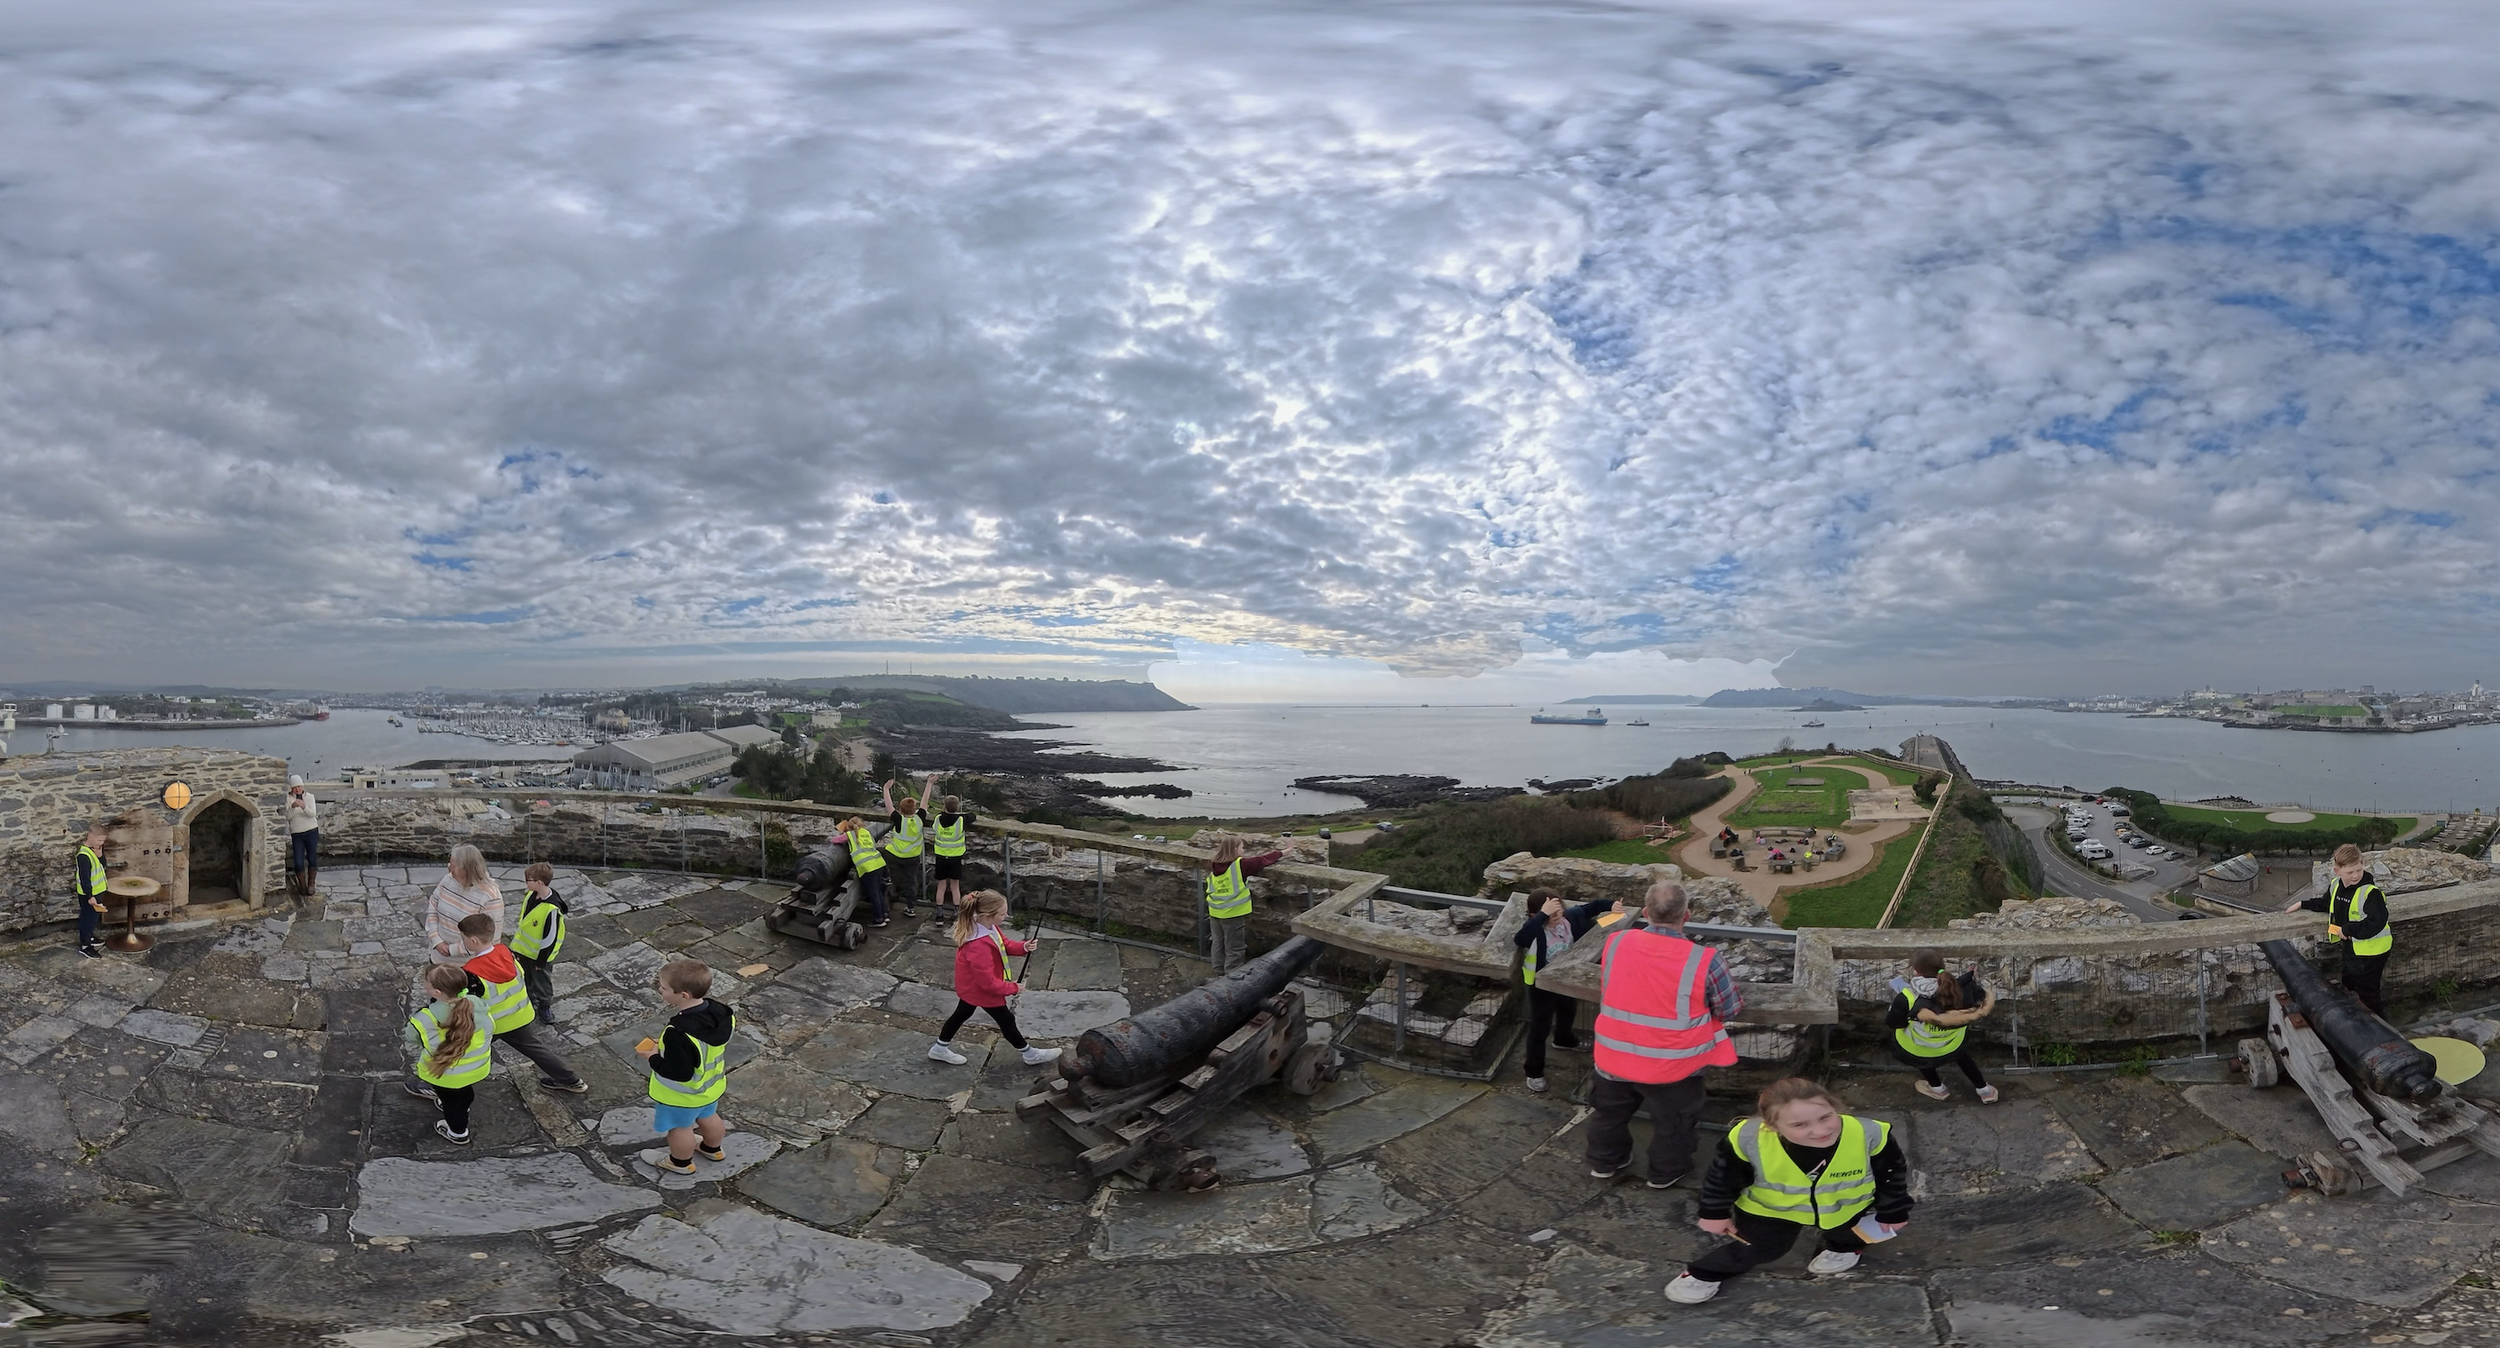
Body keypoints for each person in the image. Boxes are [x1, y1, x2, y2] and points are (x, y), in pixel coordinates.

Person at [1665, 1077, 1914, 1304]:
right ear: (1772, 1125)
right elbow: (1722, 1177)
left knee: (1848, 1233)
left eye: (1826, 1117)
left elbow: (1891, 1173)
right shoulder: (1747, 1139)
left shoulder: (1870, 1134)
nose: (1820, 1131)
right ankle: (1704, 1273)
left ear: (1834, 1108)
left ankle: (1844, 1249)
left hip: (1845, 1206)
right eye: (1799, 1124)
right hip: (1769, 1211)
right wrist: (1714, 1212)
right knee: (1761, 1248)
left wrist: (1893, 1210)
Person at [1587, 881, 1740, 1189]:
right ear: (1686, 915)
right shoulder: (1704, 959)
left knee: (1608, 1114)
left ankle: (1605, 1161)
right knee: (1675, 1123)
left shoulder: (1616, 941)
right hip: (1673, 1065)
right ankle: (1666, 1172)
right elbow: (1729, 1009)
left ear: (1645, 913)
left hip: (1614, 1053)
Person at [455, 914, 589, 1094]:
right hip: (520, 1015)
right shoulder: (506, 953)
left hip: (495, 1024)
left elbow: (468, 1002)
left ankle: (440, 1087)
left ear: (473, 940)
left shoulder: (472, 971)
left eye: (463, 938)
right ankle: (572, 1081)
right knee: (536, 1050)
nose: (462, 942)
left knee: (458, 1051)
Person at [927, 889, 1059, 1067]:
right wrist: (1013, 988)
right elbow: (987, 983)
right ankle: (1029, 1054)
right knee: (1006, 1020)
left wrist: (1023, 947)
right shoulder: (978, 946)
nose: (1006, 916)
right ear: (988, 915)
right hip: (980, 991)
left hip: (971, 987)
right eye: (1003, 914)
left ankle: (940, 1048)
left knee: (961, 1014)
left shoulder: (987, 927)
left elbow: (1004, 944)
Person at [638, 959, 737, 1176]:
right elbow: (701, 1049)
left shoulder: (678, 1032)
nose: (660, 990)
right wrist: (669, 1047)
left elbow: (679, 1073)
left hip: (682, 1096)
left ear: (683, 995)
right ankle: (712, 1149)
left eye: (664, 988)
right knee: (709, 1117)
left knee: (680, 1129)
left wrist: (653, 1057)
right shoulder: (722, 1013)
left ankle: (680, 1162)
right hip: (710, 1087)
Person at [1513, 889, 1607, 1093]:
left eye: (1559, 911)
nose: (1557, 916)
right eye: (1551, 914)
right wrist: (1542, 916)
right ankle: (1534, 1072)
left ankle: (1563, 1040)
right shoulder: (1536, 929)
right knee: (1540, 1027)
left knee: (1568, 1010)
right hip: (1540, 984)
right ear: (1535, 915)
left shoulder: (1569, 918)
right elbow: (1520, 938)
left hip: (1565, 978)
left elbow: (1592, 907)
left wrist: (1612, 906)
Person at [2288, 842, 2391, 1014]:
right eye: (2350, 872)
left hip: (2373, 951)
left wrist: (2348, 930)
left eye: (2358, 870)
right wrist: (2302, 904)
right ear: (2338, 871)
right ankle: (2355, 1016)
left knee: (2368, 992)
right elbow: (2326, 904)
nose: (2355, 875)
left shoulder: (2370, 893)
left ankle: (2377, 1022)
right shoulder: (2336, 885)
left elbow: (2377, 922)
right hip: (2353, 947)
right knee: (2349, 982)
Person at [1885, 950, 1998, 1102]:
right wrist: (1969, 978)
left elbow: (1894, 1022)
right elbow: (1980, 998)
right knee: (1963, 1057)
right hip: (1952, 1044)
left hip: (1920, 1047)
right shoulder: (1961, 989)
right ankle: (1985, 1091)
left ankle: (1938, 1089)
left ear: (1916, 971)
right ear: (1943, 967)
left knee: (1922, 1055)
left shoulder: (1906, 997)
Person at [404, 964, 493, 1145]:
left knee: (451, 1102)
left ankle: (458, 1132)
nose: (424, 984)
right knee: (464, 1092)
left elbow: (412, 1038)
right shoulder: (478, 1004)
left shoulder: (425, 1017)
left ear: (436, 992)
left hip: (446, 1074)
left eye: (426, 982)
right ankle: (464, 1106)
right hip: (476, 1068)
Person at [1203, 834, 1285, 974]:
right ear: (1235, 849)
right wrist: (1285, 851)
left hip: (1215, 911)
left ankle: (1218, 971)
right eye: (1242, 847)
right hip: (1232, 913)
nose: (1243, 850)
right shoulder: (1240, 865)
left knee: (1217, 942)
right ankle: (1232, 975)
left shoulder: (1215, 864)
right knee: (1234, 946)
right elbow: (1262, 860)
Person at [508, 861, 570, 1023]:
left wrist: (541, 961)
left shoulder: (551, 909)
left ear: (539, 882)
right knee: (526, 978)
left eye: (528, 880)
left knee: (542, 982)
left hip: (539, 956)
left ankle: (544, 1006)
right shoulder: (531, 895)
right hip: (523, 951)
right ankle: (529, 1000)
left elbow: (550, 938)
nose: (526, 883)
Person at [426, 845, 504, 963]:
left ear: (467, 869)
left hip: (468, 965)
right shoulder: (447, 880)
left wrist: (451, 950)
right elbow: (432, 908)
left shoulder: (490, 897)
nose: (449, 867)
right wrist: (436, 940)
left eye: (453, 866)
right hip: (438, 959)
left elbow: (489, 939)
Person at [880, 778, 930, 916]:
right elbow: (925, 801)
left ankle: (887, 878)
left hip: (896, 855)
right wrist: (929, 784)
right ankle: (911, 907)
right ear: (915, 809)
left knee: (881, 852)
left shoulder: (899, 819)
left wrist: (886, 789)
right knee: (911, 881)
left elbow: (888, 805)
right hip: (913, 857)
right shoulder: (919, 818)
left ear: (900, 810)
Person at [834, 817, 891, 928]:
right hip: (879, 863)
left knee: (873, 893)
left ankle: (879, 919)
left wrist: (843, 832)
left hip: (867, 867)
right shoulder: (867, 832)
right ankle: (884, 915)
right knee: (878, 891)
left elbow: (835, 840)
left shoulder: (850, 835)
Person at [930, 785, 975, 911]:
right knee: (955, 886)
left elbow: (936, 825)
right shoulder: (961, 820)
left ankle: (939, 912)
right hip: (955, 857)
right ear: (957, 807)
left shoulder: (938, 818)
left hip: (940, 856)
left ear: (944, 806)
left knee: (941, 885)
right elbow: (972, 816)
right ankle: (957, 911)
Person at [74, 821, 111, 960]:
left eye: (103, 840)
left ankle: (89, 937)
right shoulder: (83, 856)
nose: (102, 843)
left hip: (97, 892)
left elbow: (103, 865)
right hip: (89, 895)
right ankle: (85, 946)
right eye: (99, 840)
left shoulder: (94, 850)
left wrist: (100, 855)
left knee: (93, 918)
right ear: (90, 836)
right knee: (87, 920)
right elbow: (85, 879)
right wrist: (90, 896)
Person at [284, 776, 320, 896]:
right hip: (297, 833)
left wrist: (304, 806)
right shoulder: (288, 799)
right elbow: (288, 817)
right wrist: (293, 807)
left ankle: (311, 884)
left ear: (302, 786)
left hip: (311, 831)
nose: (297, 789)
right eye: (295, 787)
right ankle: (302, 886)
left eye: (299, 786)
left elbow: (312, 814)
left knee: (311, 858)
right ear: (291, 789)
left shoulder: (310, 797)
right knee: (298, 861)